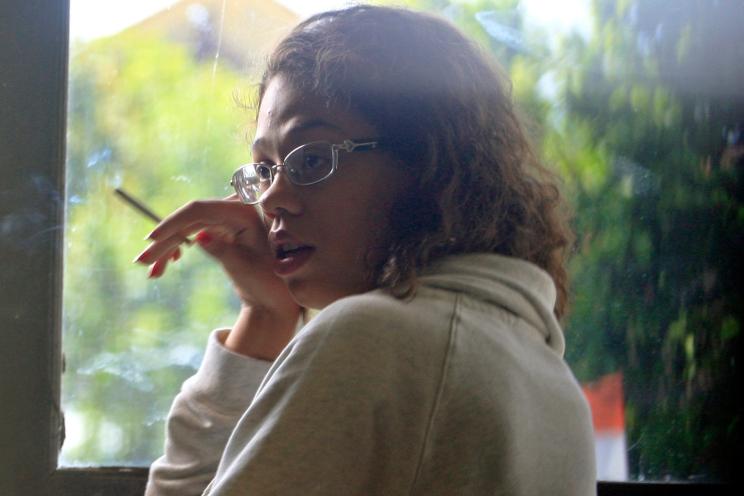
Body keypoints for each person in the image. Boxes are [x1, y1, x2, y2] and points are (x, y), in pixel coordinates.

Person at [136, 5, 597, 495]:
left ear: (425, 162)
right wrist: (268, 313)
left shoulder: (371, 339)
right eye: (265, 169)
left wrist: (267, 320)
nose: (271, 199)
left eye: (311, 157)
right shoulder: (552, 383)